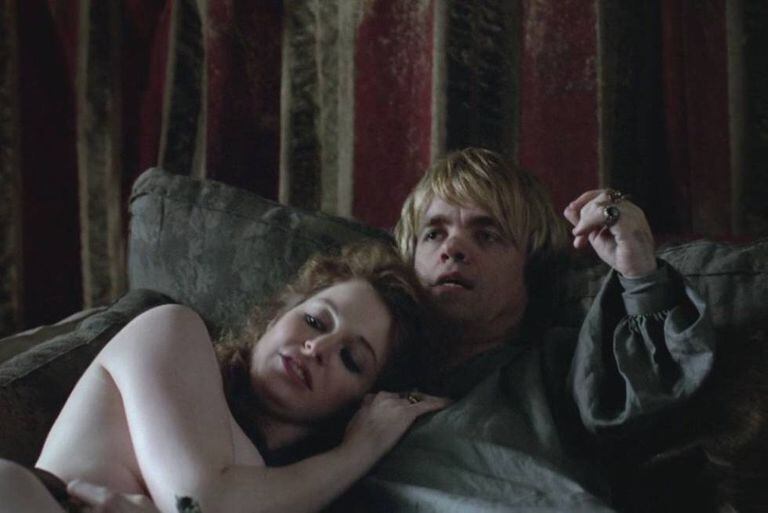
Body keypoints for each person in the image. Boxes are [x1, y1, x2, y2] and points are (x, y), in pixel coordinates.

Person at [331, 147, 715, 512]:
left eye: (487, 235)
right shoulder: (362, 366)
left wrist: (639, 270)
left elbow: (657, 393)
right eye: (433, 233)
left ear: (530, 269)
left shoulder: (561, 365)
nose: (453, 248)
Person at [0, 241, 448, 513]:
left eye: (350, 358)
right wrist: (359, 450)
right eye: (314, 321)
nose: (317, 348)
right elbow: (199, 503)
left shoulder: (296, 490)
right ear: (277, 315)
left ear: (361, 401)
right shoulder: (174, 331)